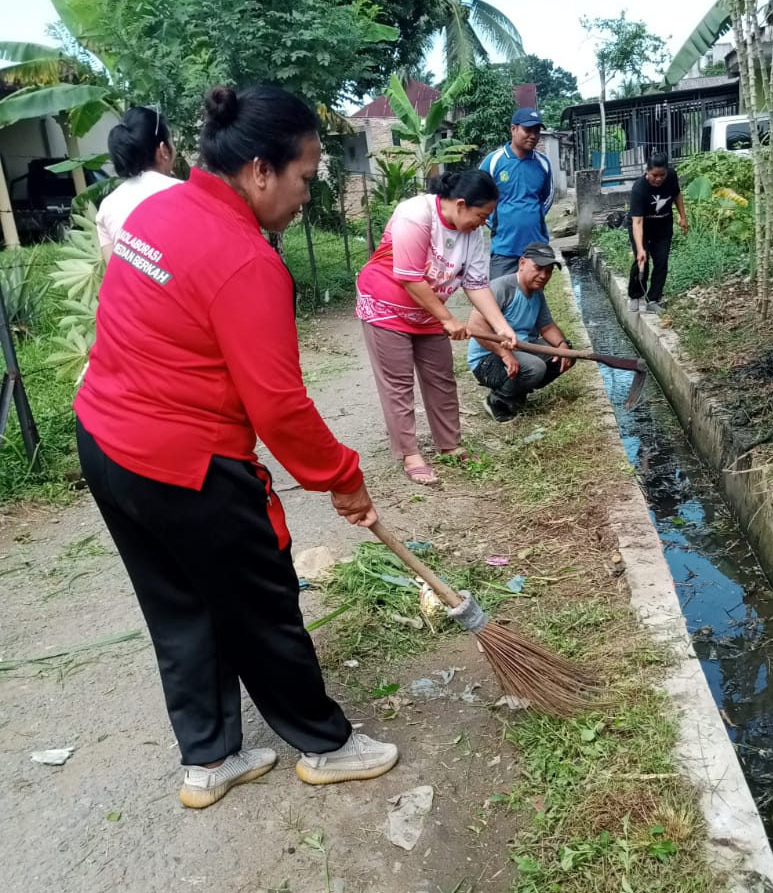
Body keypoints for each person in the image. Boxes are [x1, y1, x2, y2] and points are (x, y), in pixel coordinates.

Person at [75, 84, 399, 810]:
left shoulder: (155, 211)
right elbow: (280, 407)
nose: (307, 195)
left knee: (179, 605)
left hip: (103, 441)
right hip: (185, 464)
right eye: (306, 177)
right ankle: (325, 744)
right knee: (261, 602)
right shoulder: (247, 261)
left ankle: (211, 758)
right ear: (260, 170)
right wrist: (343, 477)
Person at [355, 170, 517, 487]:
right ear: (460, 204)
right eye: (481, 215)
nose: (482, 223)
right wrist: (447, 319)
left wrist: (502, 326)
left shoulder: (472, 234)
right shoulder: (415, 215)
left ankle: (450, 445)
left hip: (428, 312)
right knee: (398, 383)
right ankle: (410, 453)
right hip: (386, 308)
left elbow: (476, 284)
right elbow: (409, 276)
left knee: (441, 378)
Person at [466, 241, 575, 424]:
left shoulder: (537, 293)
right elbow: (475, 328)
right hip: (487, 360)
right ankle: (497, 400)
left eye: (548, 271)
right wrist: (504, 353)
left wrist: (562, 346)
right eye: (538, 268)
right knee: (535, 367)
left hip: (520, 349)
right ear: (522, 263)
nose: (543, 276)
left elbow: (547, 327)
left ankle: (518, 391)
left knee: (566, 354)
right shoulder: (502, 288)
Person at [96, 106, 181, 259]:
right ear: (164, 150)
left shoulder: (108, 206)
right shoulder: (188, 193)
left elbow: (115, 272)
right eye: (171, 142)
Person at [480, 108, 554, 280]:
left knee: (532, 299)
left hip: (536, 248)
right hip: (504, 249)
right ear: (513, 129)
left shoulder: (543, 164)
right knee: (499, 298)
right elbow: (479, 197)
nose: (533, 136)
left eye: (537, 131)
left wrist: (532, 216)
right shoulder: (494, 161)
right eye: (528, 130)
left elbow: (548, 197)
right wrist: (497, 222)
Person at [627, 149, 689, 314]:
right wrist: (640, 248)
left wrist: (683, 217)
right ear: (647, 172)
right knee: (642, 260)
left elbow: (677, 195)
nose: (659, 179)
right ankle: (635, 295)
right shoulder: (639, 189)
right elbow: (637, 222)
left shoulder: (671, 177)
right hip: (642, 228)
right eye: (655, 175)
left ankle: (653, 299)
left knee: (661, 261)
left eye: (662, 174)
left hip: (663, 226)